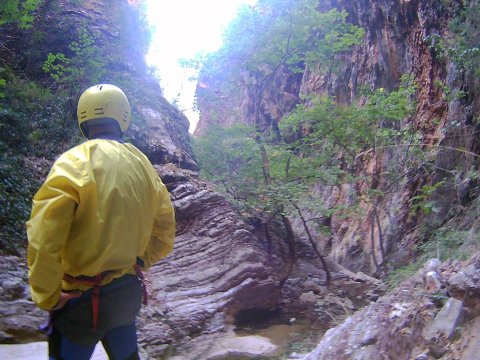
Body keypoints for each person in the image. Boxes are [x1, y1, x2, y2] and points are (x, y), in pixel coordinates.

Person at [26, 84, 176, 360]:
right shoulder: (143, 165)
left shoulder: (72, 162)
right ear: (123, 117)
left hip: (80, 302)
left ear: (84, 119)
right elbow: (165, 229)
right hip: (126, 294)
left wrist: (48, 297)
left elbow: (43, 237)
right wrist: (139, 262)